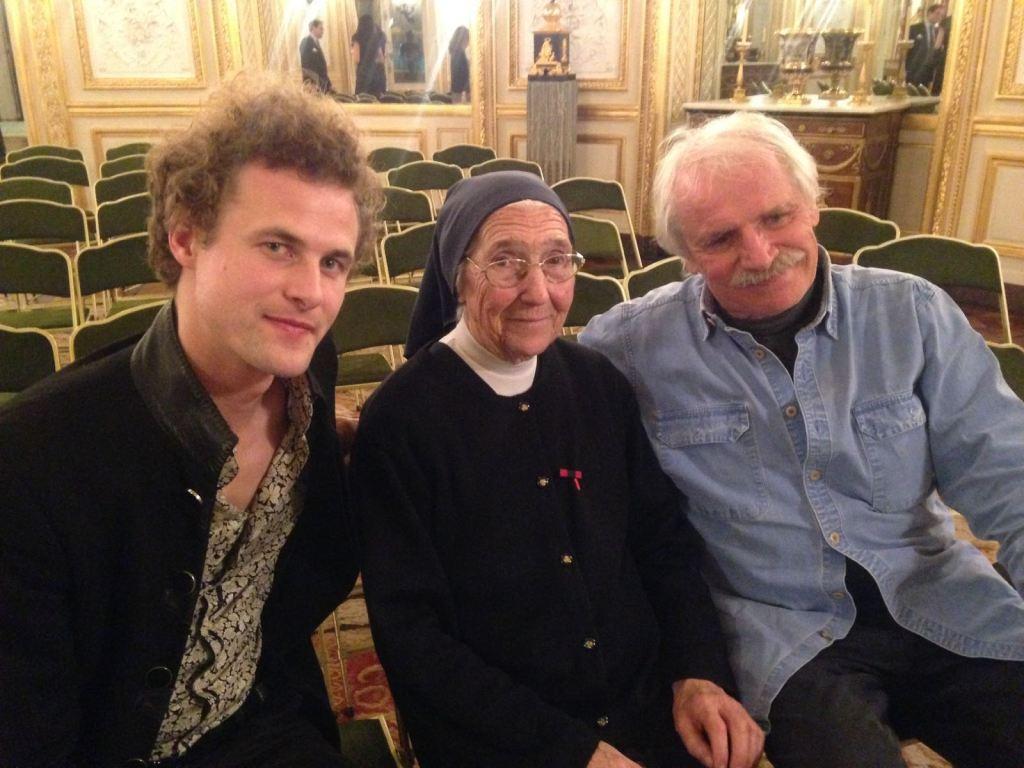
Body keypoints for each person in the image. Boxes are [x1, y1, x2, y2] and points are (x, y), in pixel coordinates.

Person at [580, 111, 1024, 768]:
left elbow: (1007, 474)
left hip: (940, 600)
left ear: (815, 205)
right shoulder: (630, 348)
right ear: (685, 254)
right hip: (787, 636)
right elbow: (523, 399)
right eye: (721, 239)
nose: (758, 254)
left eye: (776, 218)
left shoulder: (910, 314)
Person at [0, 74, 380, 767]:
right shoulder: (37, 457)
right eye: (277, 246)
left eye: (334, 262)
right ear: (185, 236)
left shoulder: (311, 374)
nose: (311, 292)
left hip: (265, 722)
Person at [351, 172, 764, 768]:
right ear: (457, 276)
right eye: (506, 262)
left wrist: (696, 674)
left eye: (556, 261)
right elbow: (412, 636)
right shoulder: (402, 421)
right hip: (504, 736)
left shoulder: (598, 383)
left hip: (643, 705)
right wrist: (570, 751)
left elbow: (663, 545)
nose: (537, 291)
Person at [906, 4, 946, 90]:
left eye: (941, 15)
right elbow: (907, 50)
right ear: (929, 13)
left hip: (928, 72)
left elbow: (936, 52)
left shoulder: (938, 32)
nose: (939, 17)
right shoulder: (915, 28)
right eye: (937, 13)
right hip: (914, 69)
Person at [351, 14, 386, 97]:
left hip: (363, 75)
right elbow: (381, 58)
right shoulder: (377, 38)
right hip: (377, 74)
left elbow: (356, 59)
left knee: (363, 101)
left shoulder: (357, 37)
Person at [300, 18, 333, 94]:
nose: (323, 31)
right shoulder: (306, 42)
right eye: (320, 28)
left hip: (321, 85)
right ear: (313, 28)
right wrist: (312, 84)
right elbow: (306, 66)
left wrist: (329, 85)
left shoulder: (316, 43)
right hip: (313, 86)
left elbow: (321, 68)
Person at [448, 25, 470, 103]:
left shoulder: (456, 53)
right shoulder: (459, 54)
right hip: (460, 90)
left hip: (458, 89)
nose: (469, 42)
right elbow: (461, 74)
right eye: (468, 38)